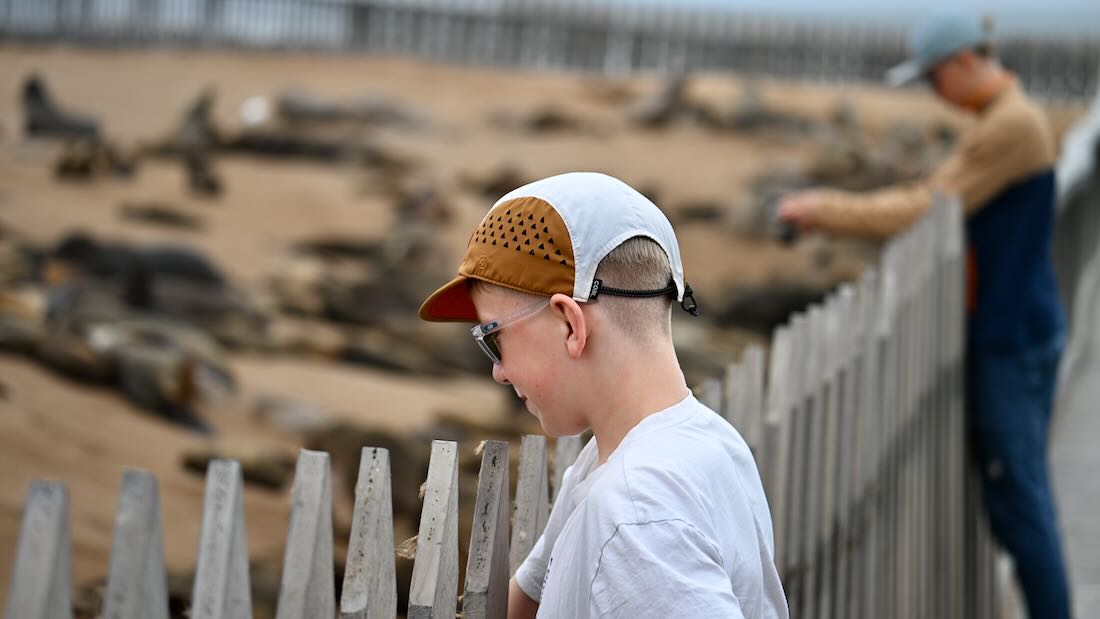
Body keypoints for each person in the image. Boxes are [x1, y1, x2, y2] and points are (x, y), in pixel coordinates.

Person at [777, 9, 1071, 618]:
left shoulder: (1009, 127)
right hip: (1021, 326)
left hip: (1009, 339)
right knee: (1022, 498)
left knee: (1021, 506)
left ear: (964, 61)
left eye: (935, 77)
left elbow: (923, 208)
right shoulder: (1007, 118)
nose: (935, 93)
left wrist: (825, 209)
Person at [419, 172, 788, 618]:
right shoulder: (685, 445)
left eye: (494, 339)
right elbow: (525, 602)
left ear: (570, 326)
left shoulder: (635, 515)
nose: (498, 371)